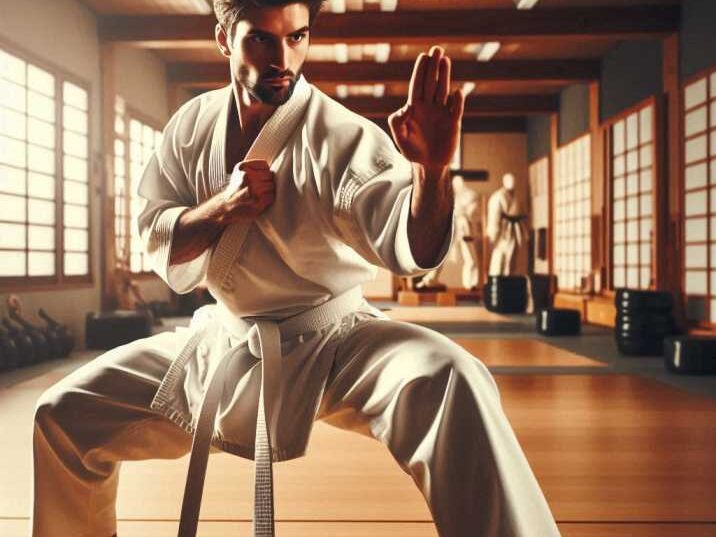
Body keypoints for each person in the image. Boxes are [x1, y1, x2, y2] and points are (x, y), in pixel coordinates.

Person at [30, 2, 561, 536]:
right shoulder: (190, 128)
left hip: (333, 342)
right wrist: (224, 205)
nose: (282, 57)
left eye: (297, 36)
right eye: (261, 39)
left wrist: (431, 172)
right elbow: (158, 237)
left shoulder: (341, 136)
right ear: (223, 39)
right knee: (63, 415)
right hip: (226, 339)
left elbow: (410, 244)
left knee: (452, 378)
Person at [486, 173, 526, 276]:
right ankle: (498, 284)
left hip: (515, 231)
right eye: (509, 181)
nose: (511, 183)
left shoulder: (517, 196)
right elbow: (494, 217)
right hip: (502, 232)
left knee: (513, 261)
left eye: (513, 181)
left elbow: (521, 215)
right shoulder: (497, 197)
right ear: (504, 182)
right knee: (499, 260)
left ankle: (510, 284)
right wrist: (493, 234)